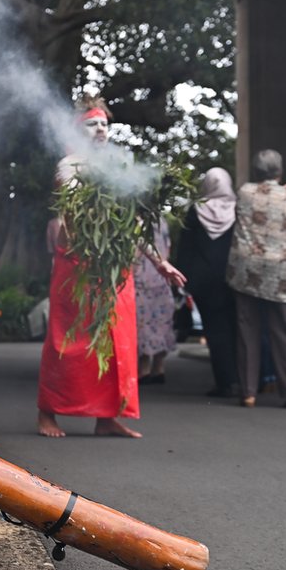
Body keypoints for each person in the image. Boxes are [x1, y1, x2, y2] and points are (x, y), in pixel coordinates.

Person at [37, 98, 186, 439]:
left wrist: (160, 262)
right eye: (92, 124)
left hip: (115, 269)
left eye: (105, 124)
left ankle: (107, 417)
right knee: (68, 341)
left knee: (117, 339)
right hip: (77, 266)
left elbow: (131, 225)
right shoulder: (70, 165)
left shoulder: (118, 167)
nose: (101, 129)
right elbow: (72, 213)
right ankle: (47, 412)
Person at [226, 149, 286, 408]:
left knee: (247, 330)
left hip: (247, 271)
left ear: (255, 171)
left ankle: (249, 393)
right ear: (280, 171)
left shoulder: (244, 192)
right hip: (282, 272)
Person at [175, 167, 239, 397]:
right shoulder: (237, 209)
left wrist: (183, 280)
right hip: (233, 279)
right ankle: (243, 379)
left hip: (205, 283)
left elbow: (186, 248)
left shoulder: (197, 210)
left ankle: (225, 382)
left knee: (214, 331)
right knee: (236, 328)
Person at [133, 215, 177, 384]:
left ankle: (144, 367)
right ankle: (159, 366)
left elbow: (135, 253)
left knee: (143, 323)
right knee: (161, 322)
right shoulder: (161, 221)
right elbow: (167, 248)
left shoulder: (136, 221)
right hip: (160, 277)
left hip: (141, 278)